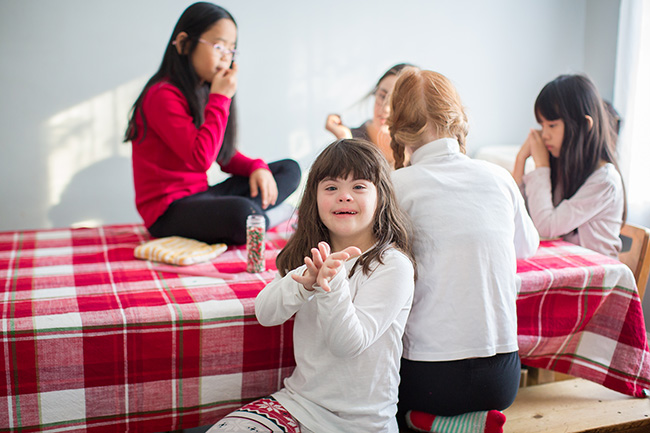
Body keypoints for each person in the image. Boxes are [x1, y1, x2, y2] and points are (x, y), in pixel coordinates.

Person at [208, 139, 416, 433]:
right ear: (314, 199)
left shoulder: (393, 265)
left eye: (359, 186)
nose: (344, 196)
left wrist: (331, 282)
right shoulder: (310, 254)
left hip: (362, 424)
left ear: (381, 196)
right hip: (299, 404)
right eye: (331, 188)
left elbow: (347, 344)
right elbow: (265, 313)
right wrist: (303, 285)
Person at [388, 67, 540, 433]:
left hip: (430, 378)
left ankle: (419, 420)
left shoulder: (395, 186)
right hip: (502, 377)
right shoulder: (499, 178)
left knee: (381, 404)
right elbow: (527, 247)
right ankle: (459, 423)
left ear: (400, 128)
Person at [124, 2, 301, 245]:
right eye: (218, 46)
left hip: (201, 196)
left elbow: (222, 155)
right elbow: (201, 158)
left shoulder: (202, 91)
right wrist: (220, 98)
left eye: (231, 49)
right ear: (185, 43)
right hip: (167, 212)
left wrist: (256, 167)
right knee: (242, 213)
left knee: (288, 170)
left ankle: (256, 217)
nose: (226, 56)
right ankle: (265, 218)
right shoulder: (161, 95)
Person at [512, 74, 626, 258]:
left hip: (597, 271)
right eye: (542, 125)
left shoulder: (605, 181)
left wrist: (541, 165)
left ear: (584, 125)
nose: (544, 135)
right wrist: (520, 160)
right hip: (566, 265)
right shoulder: (564, 168)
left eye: (552, 125)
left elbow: (546, 227)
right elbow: (522, 218)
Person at [325, 63, 414, 167]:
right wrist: (346, 143)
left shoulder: (419, 149)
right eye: (382, 96)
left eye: (396, 102)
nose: (385, 109)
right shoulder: (351, 138)